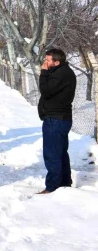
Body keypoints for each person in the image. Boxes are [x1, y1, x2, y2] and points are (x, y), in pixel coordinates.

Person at [37, 48, 76, 195]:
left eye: (48, 60)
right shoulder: (61, 71)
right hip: (59, 119)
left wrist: (44, 73)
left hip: (56, 120)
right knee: (60, 152)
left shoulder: (61, 74)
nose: (45, 63)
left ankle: (52, 187)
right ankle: (64, 183)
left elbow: (45, 90)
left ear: (57, 62)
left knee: (52, 154)